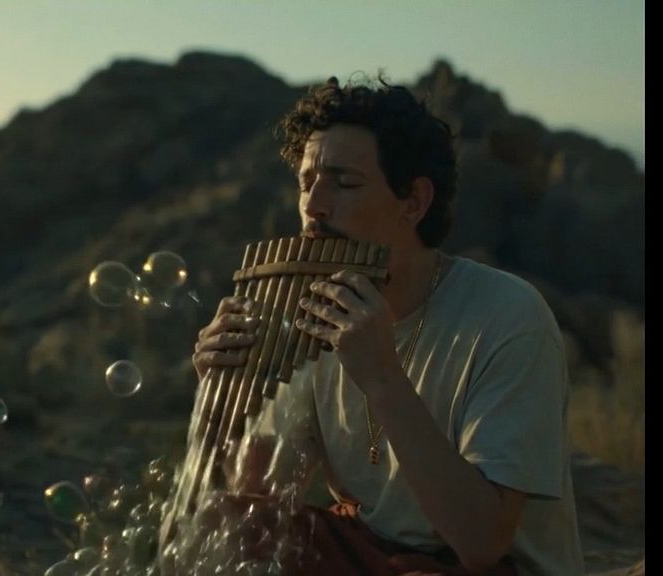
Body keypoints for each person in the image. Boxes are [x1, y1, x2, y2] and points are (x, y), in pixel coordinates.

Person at [191, 76, 584, 576]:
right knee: (227, 527)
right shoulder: (311, 317)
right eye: (306, 183)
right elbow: (257, 492)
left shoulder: (508, 315)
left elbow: (482, 541)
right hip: (374, 551)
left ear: (413, 202)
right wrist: (222, 398)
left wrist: (381, 376)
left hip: (491, 567)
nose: (313, 206)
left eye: (345, 183)